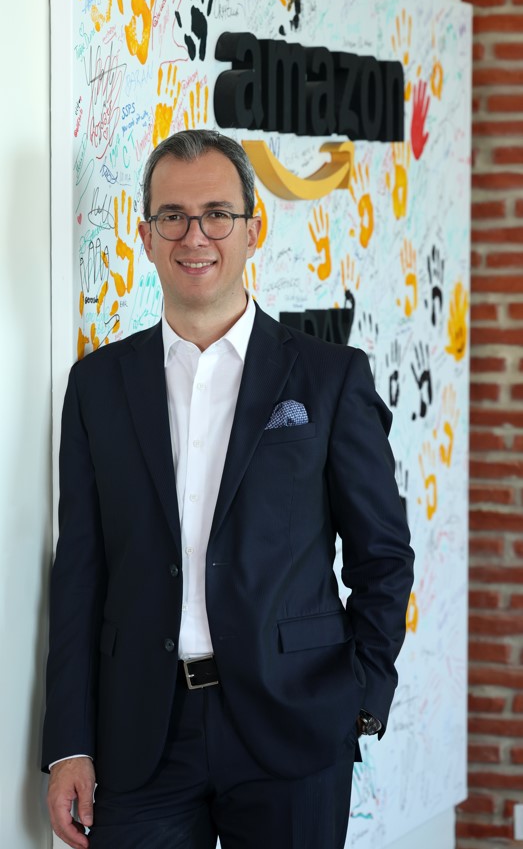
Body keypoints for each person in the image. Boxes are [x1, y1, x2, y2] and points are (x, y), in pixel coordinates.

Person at [43, 129, 414, 849]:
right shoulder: (96, 386)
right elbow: (79, 573)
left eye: (216, 214)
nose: (195, 236)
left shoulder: (330, 378)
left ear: (252, 229)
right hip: (139, 736)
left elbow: (383, 555)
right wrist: (68, 743)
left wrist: (362, 694)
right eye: (172, 216)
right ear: (146, 236)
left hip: (294, 725)